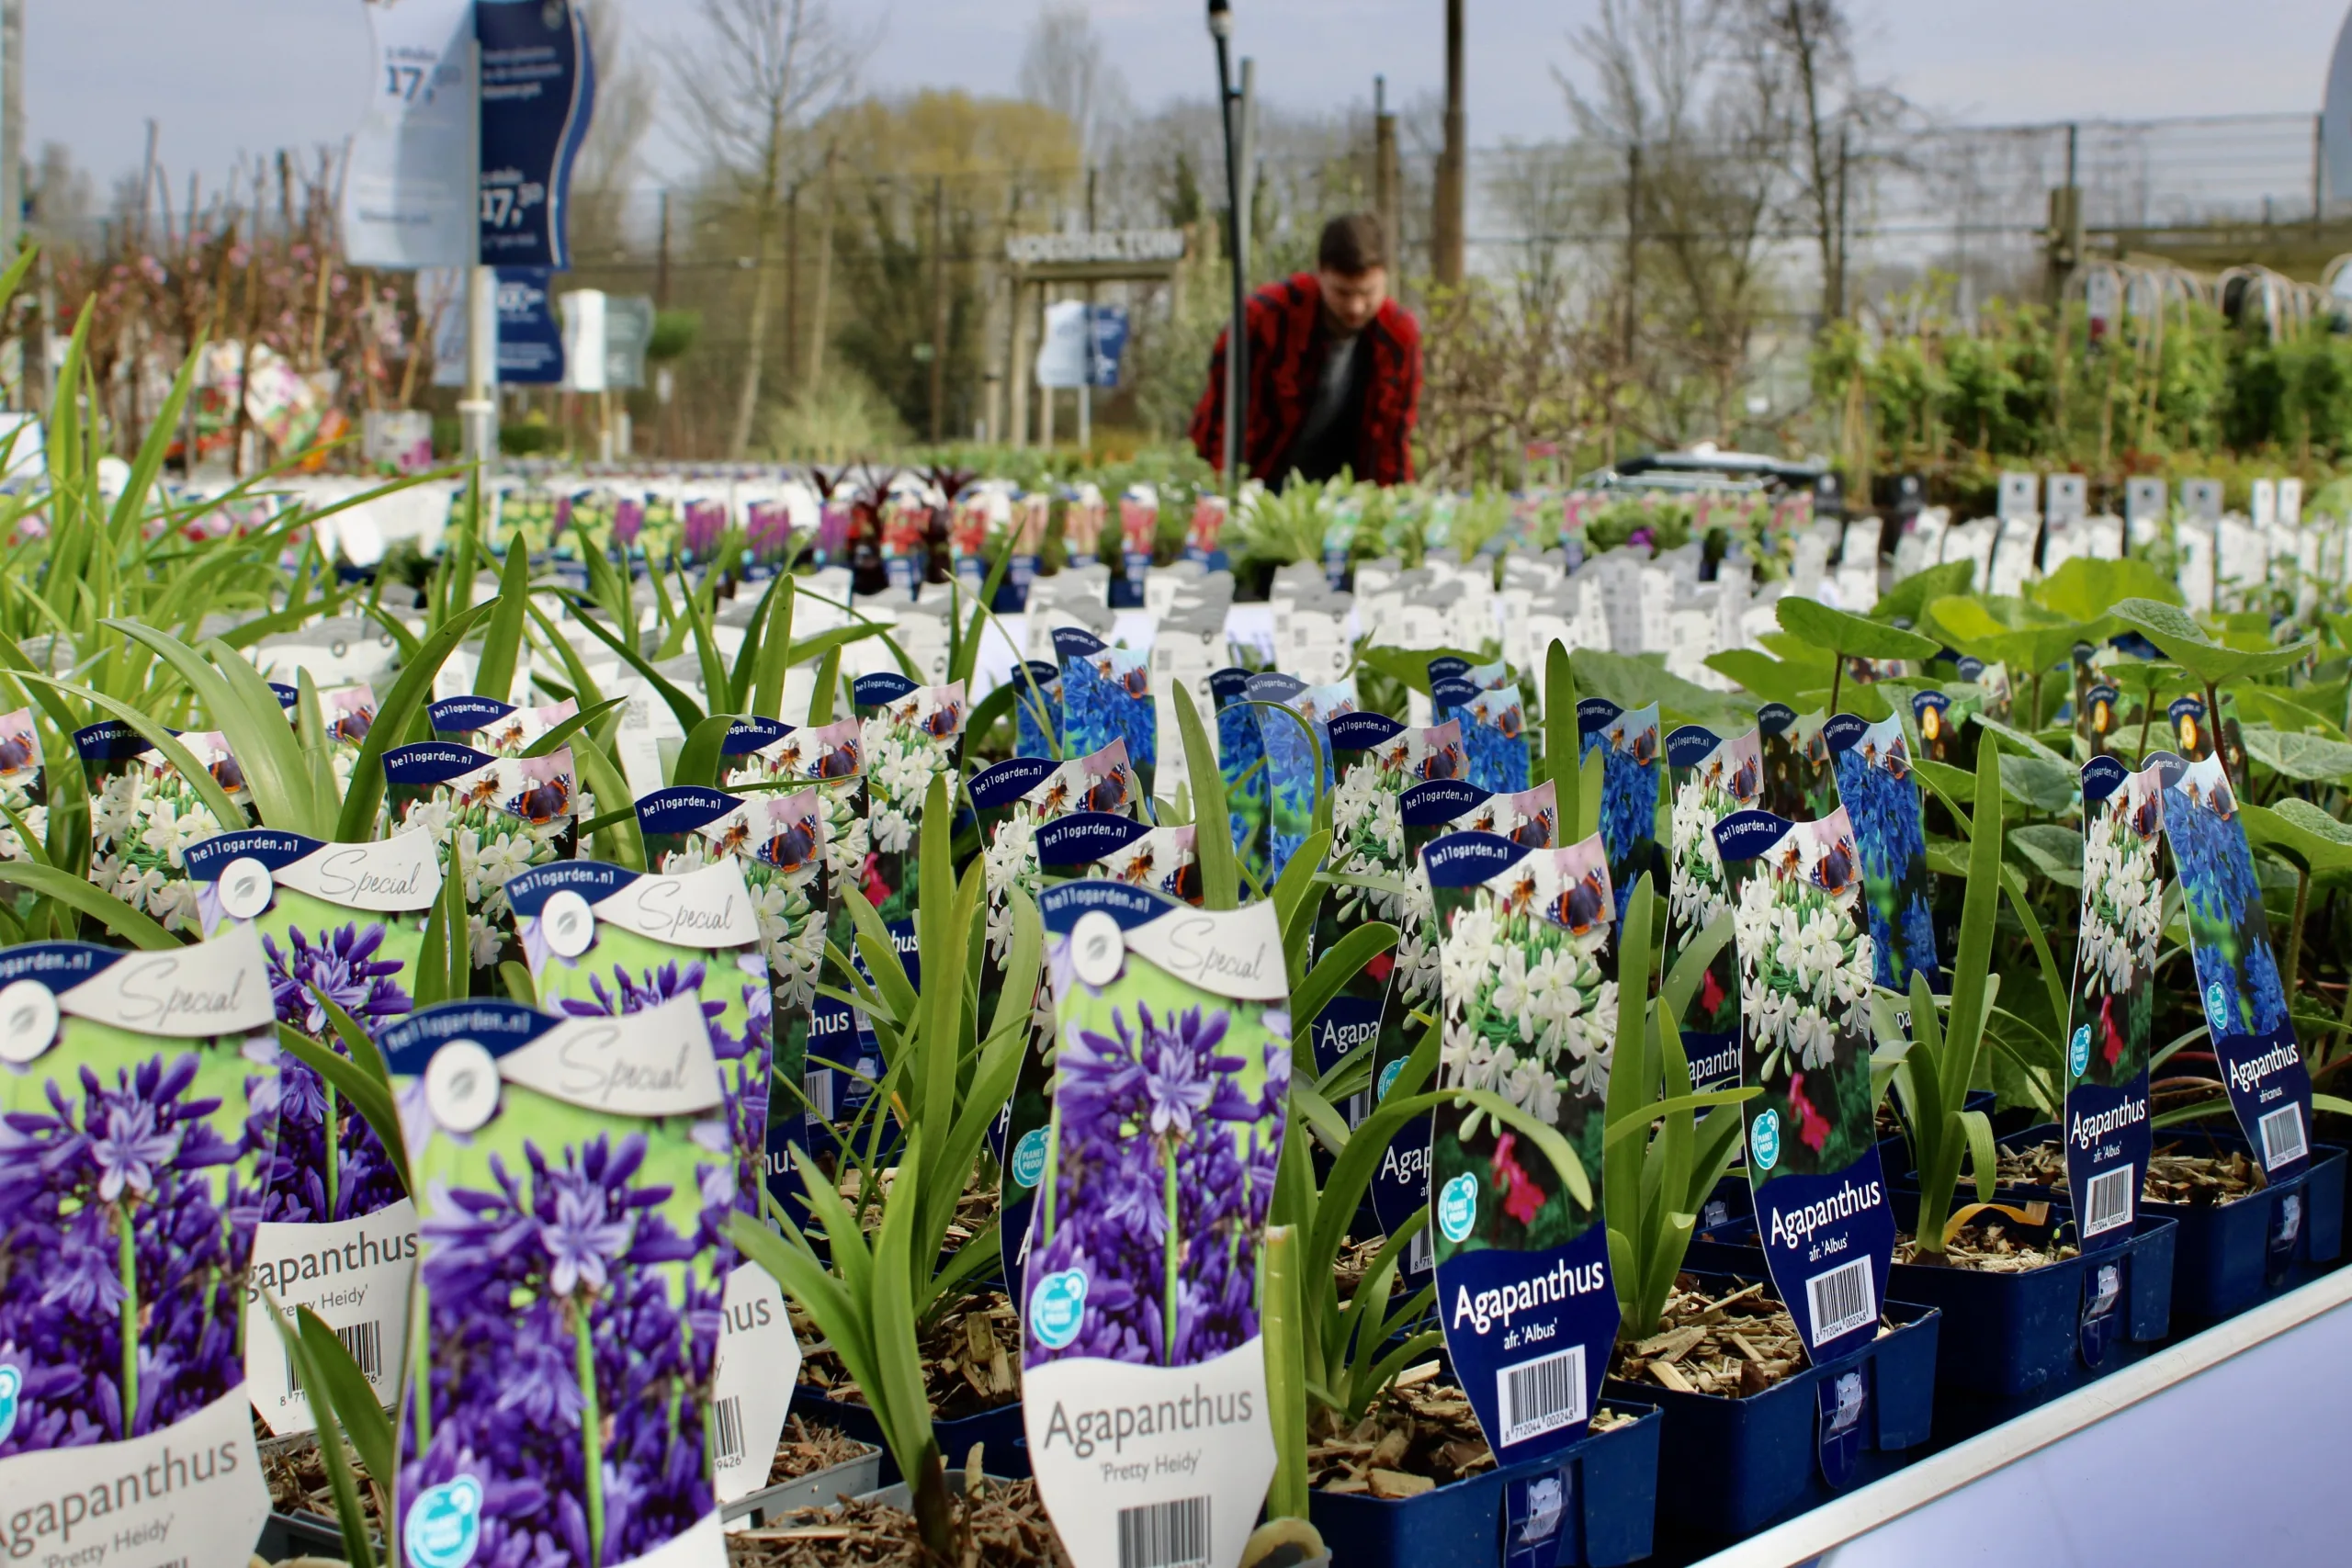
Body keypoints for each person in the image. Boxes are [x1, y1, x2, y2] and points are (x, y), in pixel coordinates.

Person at [1190, 211, 1422, 491]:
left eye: (1367, 293)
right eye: (1343, 293)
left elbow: (1392, 440)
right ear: (1320, 272)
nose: (1356, 307)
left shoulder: (1399, 336)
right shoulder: (1262, 321)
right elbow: (1222, 425)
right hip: (1259, 483)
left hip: (1346, 491)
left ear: (1385, 277)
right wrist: (1219, 494)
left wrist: (1393, 507)